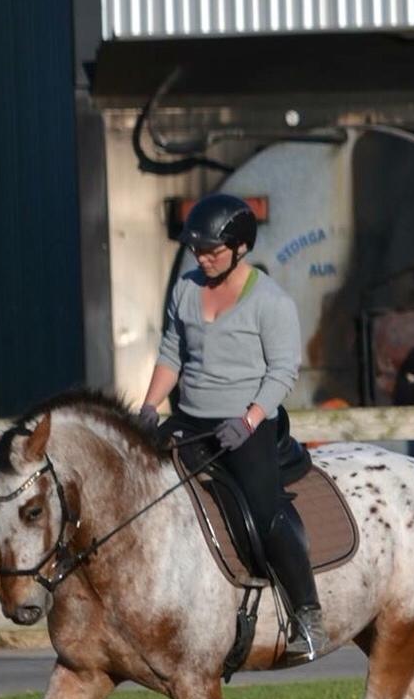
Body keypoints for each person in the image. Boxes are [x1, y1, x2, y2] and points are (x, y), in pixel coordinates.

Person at [139, 193, 331, 664]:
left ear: (240, 248)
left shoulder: (271, 301)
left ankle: (308, 615)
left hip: (247, 422)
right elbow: (172, 353)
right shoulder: (185, 289)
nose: (203, 259)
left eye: (212, 252)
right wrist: (147, 407)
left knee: (265, 512)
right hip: (189, 419)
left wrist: (246, 422)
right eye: (197, 251)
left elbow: (283, 371)